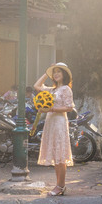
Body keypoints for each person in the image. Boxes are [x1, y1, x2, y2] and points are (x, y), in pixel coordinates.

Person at [34, 62, 74, 196]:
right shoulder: (53, 89)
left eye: (59, 71)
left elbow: (69, 107)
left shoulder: (66, 89)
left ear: (64, 75)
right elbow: (37, 86)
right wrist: (47, 72)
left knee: (60, 154)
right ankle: (58, 185)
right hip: (50, 122)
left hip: (59, 122)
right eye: (54, 72)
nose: (56, 74)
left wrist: (52, 109)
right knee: (56, 154)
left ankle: (60, 186)